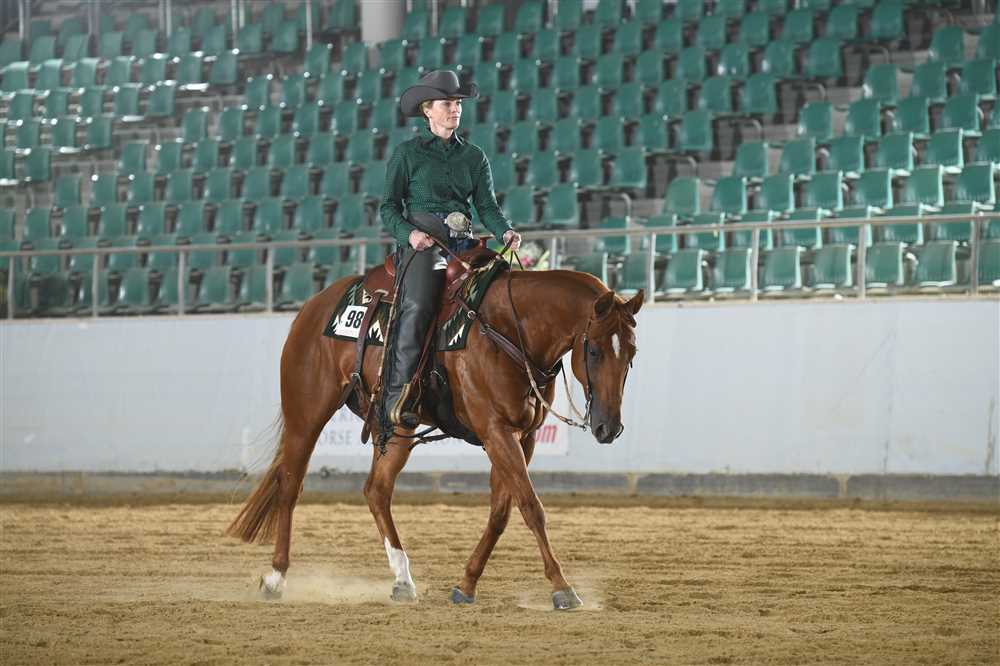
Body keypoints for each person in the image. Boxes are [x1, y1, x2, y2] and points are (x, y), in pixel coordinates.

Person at [377, 69, 522, 431]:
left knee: (501, 291)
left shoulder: (474, 156)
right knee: (419, 305)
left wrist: (504, 231)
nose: (455, 108)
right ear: (427, 110)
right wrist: (410, 234)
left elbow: (486, 206)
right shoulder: (407, 154)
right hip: (425, 243)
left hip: (463, 242)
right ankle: (398, 395)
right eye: (447, 103)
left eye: (457, 103)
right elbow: (388, 207)